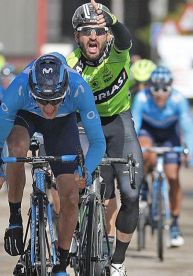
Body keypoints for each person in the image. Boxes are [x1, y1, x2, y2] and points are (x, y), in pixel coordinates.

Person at [0, 52, 106, 276]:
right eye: (43, 100)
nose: (49, 108)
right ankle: (15, 219)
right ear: (32, 89)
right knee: (18, 148)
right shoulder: (19, 87)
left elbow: (98, 141)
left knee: (71, 196)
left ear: (65, 89)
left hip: (63, 124)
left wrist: (86, 171)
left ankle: (61, 266)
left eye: (55, 100)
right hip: (26, 116)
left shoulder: (79, 87)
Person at [66, 1, 144, 275]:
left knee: (132, 195)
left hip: (119, 123)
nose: (93, 36)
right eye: (86, 31)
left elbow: (125, 37)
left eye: (99, 31)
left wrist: (110, 19)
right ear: (77, 36)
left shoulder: (118, 49)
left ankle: (118, 260)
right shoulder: (71, 67)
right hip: (84, 126)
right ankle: (75, 236)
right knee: (73, 185)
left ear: (107, 35)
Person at [131, 66, 193, 247]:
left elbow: (188, 127)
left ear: (171, 89)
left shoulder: (178, 99)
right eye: (155, 89)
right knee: (144, 150)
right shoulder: (142, 98)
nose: (160, 94)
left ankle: (174, 223)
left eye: (165, 90)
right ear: (149, 88)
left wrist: (189, 151)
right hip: (148, 132)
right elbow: (134, 125)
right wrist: (132, 150)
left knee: (173, 176)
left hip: (169, 135)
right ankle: (143, 185)